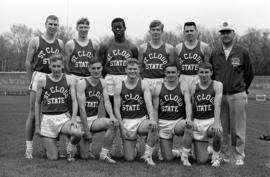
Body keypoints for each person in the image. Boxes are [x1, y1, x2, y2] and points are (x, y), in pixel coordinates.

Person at [210, 22, 254, 166]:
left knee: (238, 128)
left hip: (237, 94)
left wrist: (242, 88)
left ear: (234, 34)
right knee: (222, 127)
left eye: (228, 32)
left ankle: (239, 155)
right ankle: (225, 155)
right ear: (220, 35)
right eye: (223, 32)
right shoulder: (215, 53)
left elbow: (249, 74)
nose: (225, 35)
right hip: (220, 96)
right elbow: (212, 75)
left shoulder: (242, 52)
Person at [24, 15, 64, 159]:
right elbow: (28, 63)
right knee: (33, 115)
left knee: (56, 113)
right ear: (45, 24)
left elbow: (60, 62)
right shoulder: (35, 40)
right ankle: (29, 148)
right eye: (50, 24)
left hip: (54, 77)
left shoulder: (60, 42)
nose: (53, 26)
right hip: (39, 75)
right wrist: (30, 81)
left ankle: (54, 147)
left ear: (58, 26)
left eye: (55, 24)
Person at [98, 17, 138, 155]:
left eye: (120, 27)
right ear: (112, 29)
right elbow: (101, 65)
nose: (117, 29)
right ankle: (111, 146)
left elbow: (135, 65)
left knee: (127, 111)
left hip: (126, 79)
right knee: (110, 114)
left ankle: (131, 142)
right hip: (110, 79)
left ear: (125, 28)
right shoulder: (105, 46)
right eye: (115, 27)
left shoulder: (132, 46)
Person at [35, 53, 82, 161]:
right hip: (48, 119)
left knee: (78, 133)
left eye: (59, 66)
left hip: (63, 117)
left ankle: (70, 147)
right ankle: (50, 147)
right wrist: (37, 125)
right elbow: (37, 103)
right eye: (54, 66)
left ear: (62, 66)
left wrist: (74, 118)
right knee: (53, 158)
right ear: (50, 66)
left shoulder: (69, 79)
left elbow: (75, 101)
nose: (56, 69)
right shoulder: (42, 80)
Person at [114, 58, 159, 166]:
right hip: (127, 122)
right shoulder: (119, 86)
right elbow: (116, 109)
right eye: (130, 69)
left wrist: (152, 119)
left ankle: (147, 156)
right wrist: (122, 128)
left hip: (140, 120)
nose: (132, 71)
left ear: (138, 70)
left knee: (153, 127)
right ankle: (136, 144)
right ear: (125, 70)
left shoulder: (143, 84)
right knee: (129, 158)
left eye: (135, 69)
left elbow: (149, 103)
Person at [76, 58, 119, 164]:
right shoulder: (82, 83)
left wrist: (112, 116)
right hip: (80, 121)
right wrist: (86, 131)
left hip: (93, 119)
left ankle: (104, 154)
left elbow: (107, 101)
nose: (96, 71)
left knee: (113, 124)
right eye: (93, 68)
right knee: (85, 156)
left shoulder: (103, 82)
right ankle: (73, 141)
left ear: (102, 68)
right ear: (89, 69)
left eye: (98, 68)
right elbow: (81, 108)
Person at [152, 62, 193, 166]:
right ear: (165, 73)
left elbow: (188, 103)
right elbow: (155, 109)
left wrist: (188, 118)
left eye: (173, 72)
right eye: (168, 72)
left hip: (177, 122)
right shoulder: (158, 87)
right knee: (168, 158)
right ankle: (177, 152)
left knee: (188, 126)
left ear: (178, 73)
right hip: (163, 124)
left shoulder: (183, 85)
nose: (171, 75)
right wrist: (155, 123)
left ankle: (185, 156)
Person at [190, 62, 223, 167]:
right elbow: (192, 107)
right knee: (201, 160)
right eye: (201, 72)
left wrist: (217, 123)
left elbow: (217, 105)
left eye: (206, 72)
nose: (204, 75)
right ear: (198, 73)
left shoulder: (217, 85)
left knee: (217, 132)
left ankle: (216, 157)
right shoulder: (194, 87)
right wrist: (190, 121)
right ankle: (209, 149)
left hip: (210, 120)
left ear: (211, 72)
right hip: (198, 122)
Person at [139, 20, 174, 91]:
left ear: (162, 32)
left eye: (158, 30)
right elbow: (139, 67)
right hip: (146, 80)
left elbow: (172, 67)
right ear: (150, 31)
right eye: (153, 30)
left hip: (162, 80)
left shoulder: (169, 48)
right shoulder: (143, 47)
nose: (155, 32)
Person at [175, 21, 211, 88]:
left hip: (198, 78)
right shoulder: (178, 47)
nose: (189, 33)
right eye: (187, 31)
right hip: (183, 78)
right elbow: (176, 67)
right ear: (184, 33)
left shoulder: (204, 47)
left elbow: (207, 67)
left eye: (191, 30)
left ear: (196, 31)